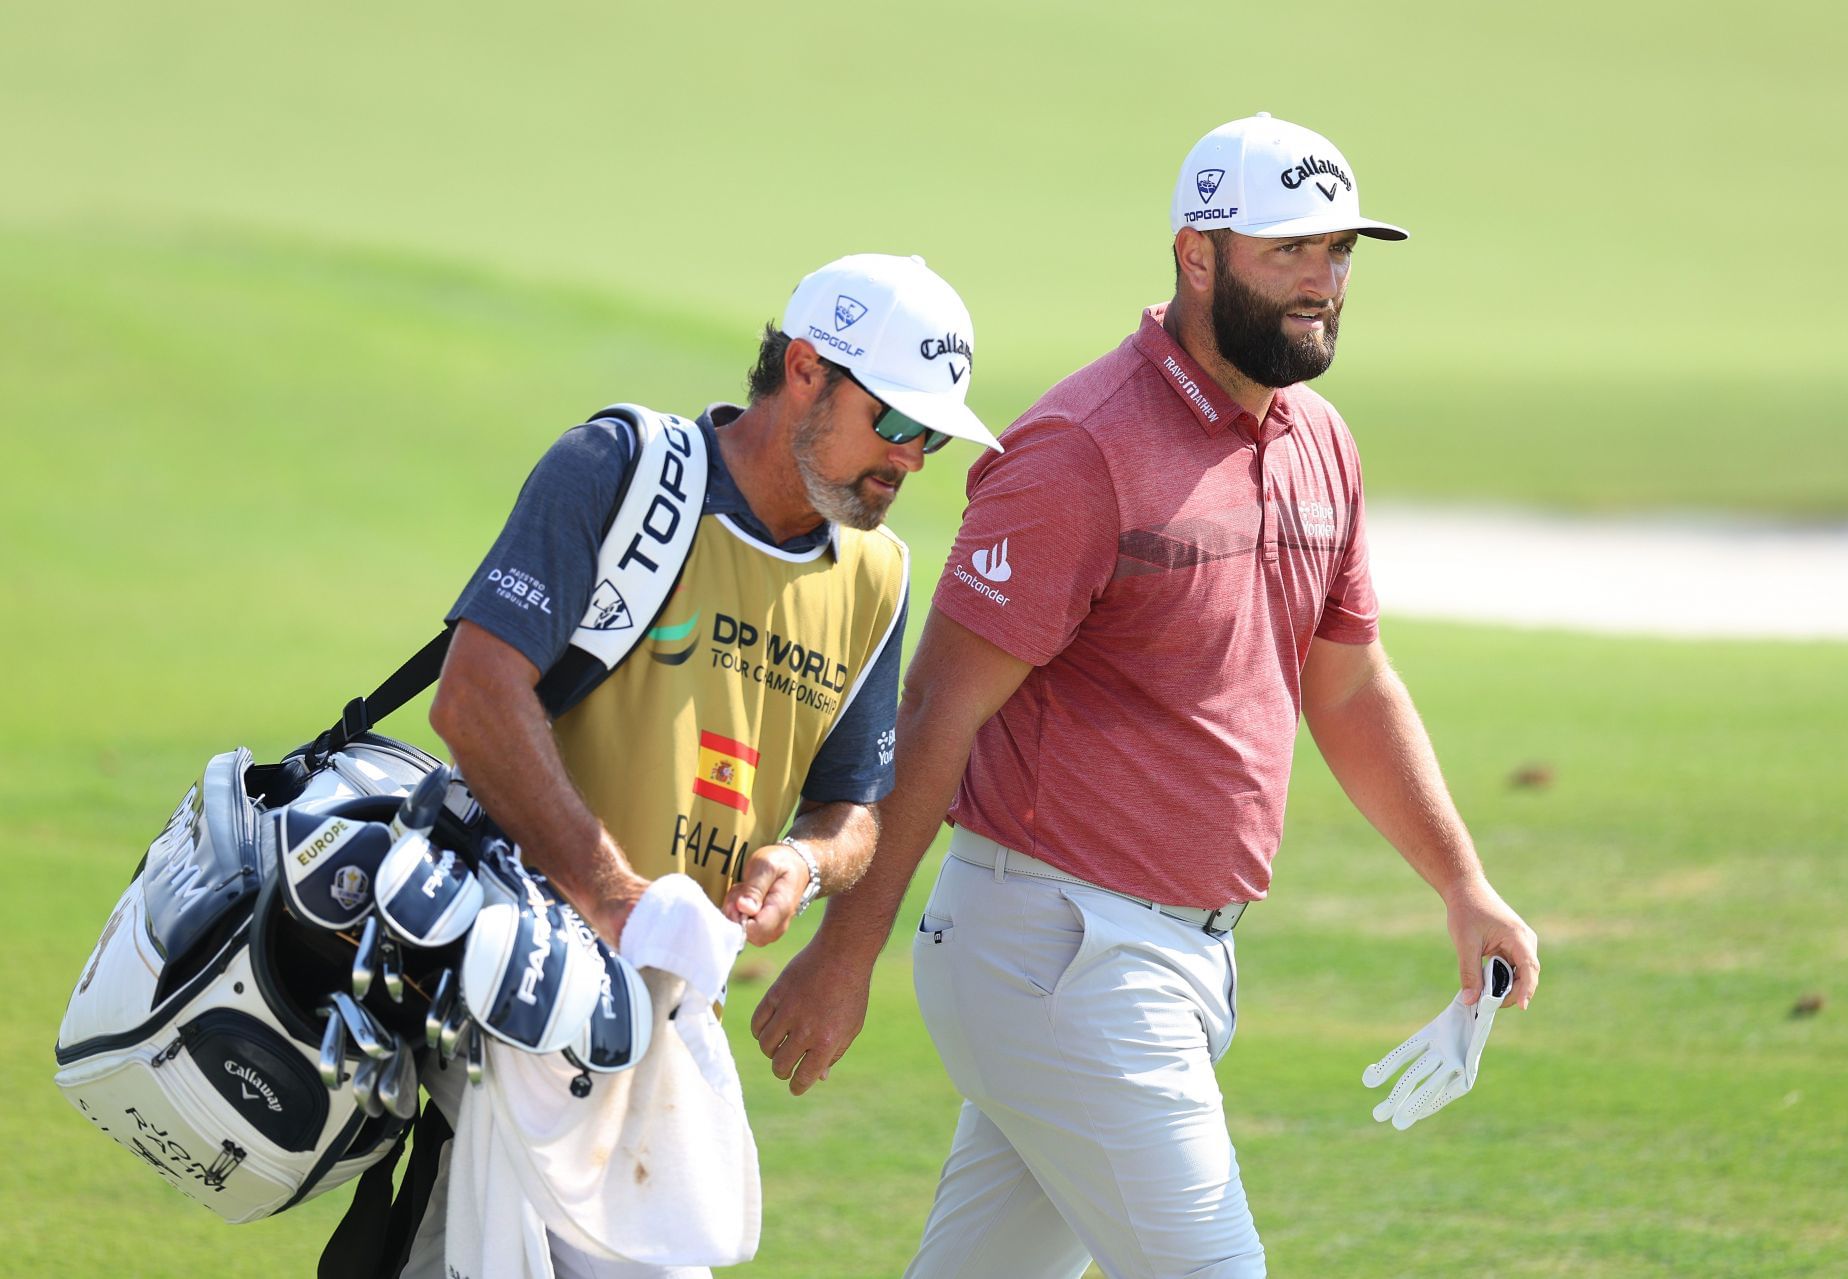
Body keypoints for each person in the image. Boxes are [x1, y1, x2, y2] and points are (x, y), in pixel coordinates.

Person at [749, 115, 1543, 1278]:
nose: (1324, 281)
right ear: (1196, 255)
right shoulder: (1080, 449)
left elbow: (1351, 682)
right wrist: (843, 952)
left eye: (1341, 251)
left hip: (1165, 959)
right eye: (1289, 251)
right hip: (1060, 952)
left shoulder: (1320, 441)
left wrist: (1461, 883)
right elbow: (936, 713)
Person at [398, 252, 1001, 1279]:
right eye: (895, 422)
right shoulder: (621, 469)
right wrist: (614, 894)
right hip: (511, 985)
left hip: (667, 1015)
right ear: (805, 370)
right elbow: (474, 696)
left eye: (933, 436)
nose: (909, 460)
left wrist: (805, 865)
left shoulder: (878, 573)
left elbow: (854, 804)